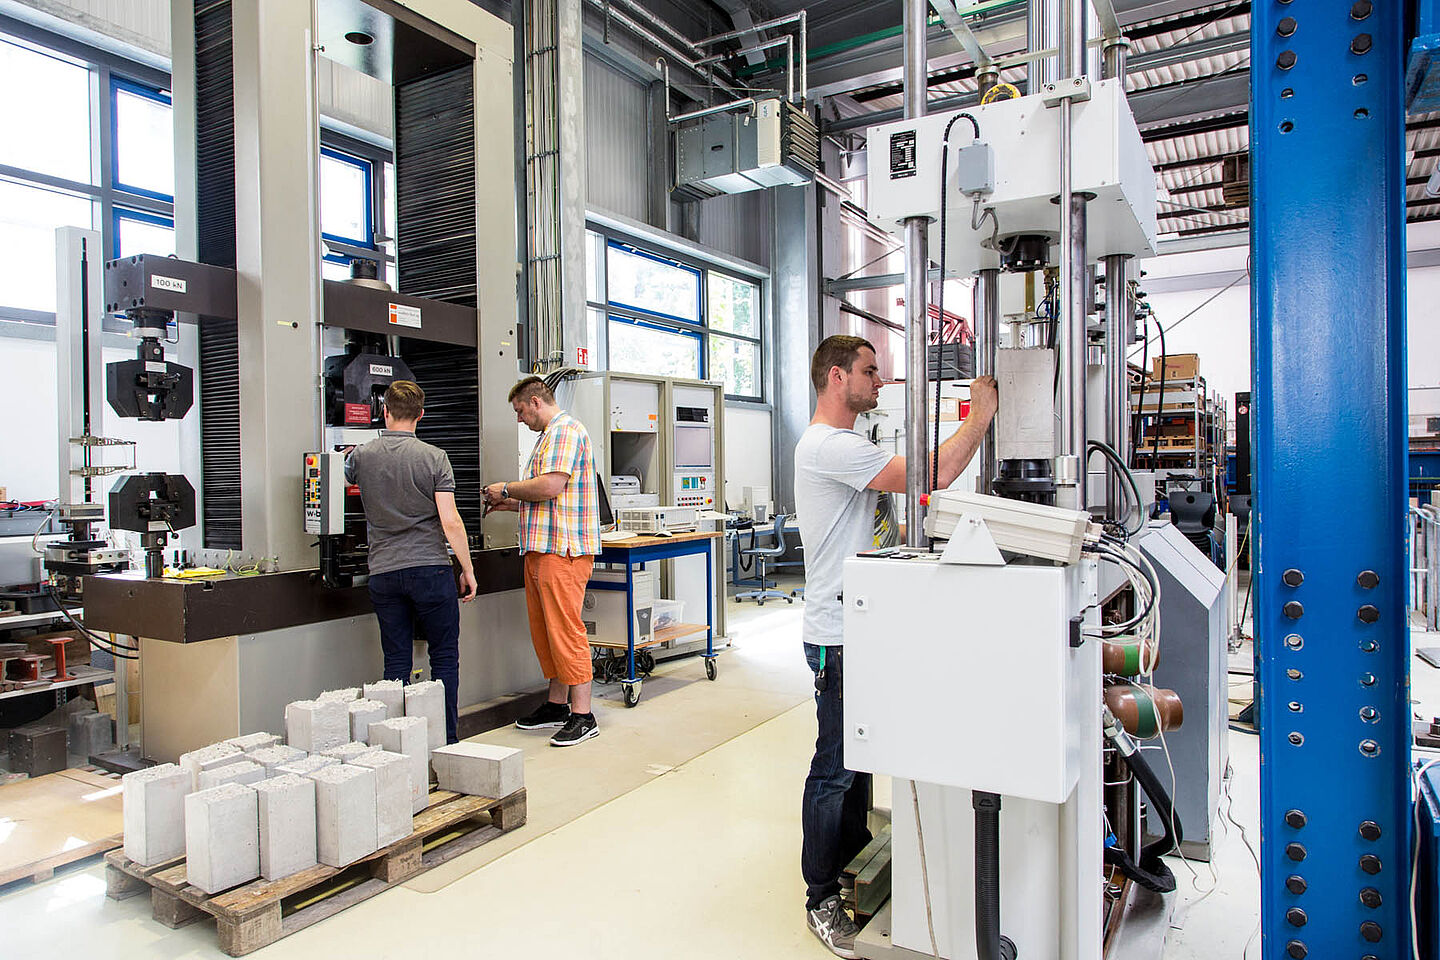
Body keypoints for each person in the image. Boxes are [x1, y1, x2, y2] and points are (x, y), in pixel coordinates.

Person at [793, 335, 998, 958]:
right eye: (869, 371)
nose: (878, 381)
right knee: (834, 766)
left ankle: (852, 857)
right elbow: (930, 475)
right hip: (838, 633)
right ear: (836, 378)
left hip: (864, 622)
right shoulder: (830, 445)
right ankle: (821, 894)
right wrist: (980, 414)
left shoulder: (850, 444)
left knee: (859, 753)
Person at [345, 379, 477, 746]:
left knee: (396, 663)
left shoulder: (361, 456)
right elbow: (450, 520)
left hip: (383, 572)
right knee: (444, 659)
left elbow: (338, 484)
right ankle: (446, 741)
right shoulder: (434, 457)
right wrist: (466, 569)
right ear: (421, 415)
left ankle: (400, 746)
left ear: (383, 412)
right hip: (430, 569)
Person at [483, 376, 602, 748]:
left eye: (520, 411)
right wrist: (510, 503)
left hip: (562, 552)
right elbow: (549, 498)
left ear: (535, 402)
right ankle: (557, 705)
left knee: (566, 631)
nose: (520, 419)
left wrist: (505, 487)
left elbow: (550, 486)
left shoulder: (565, 430)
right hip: (541, 548)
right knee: (547, 633)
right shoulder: (547, 436)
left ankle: (584, 715)